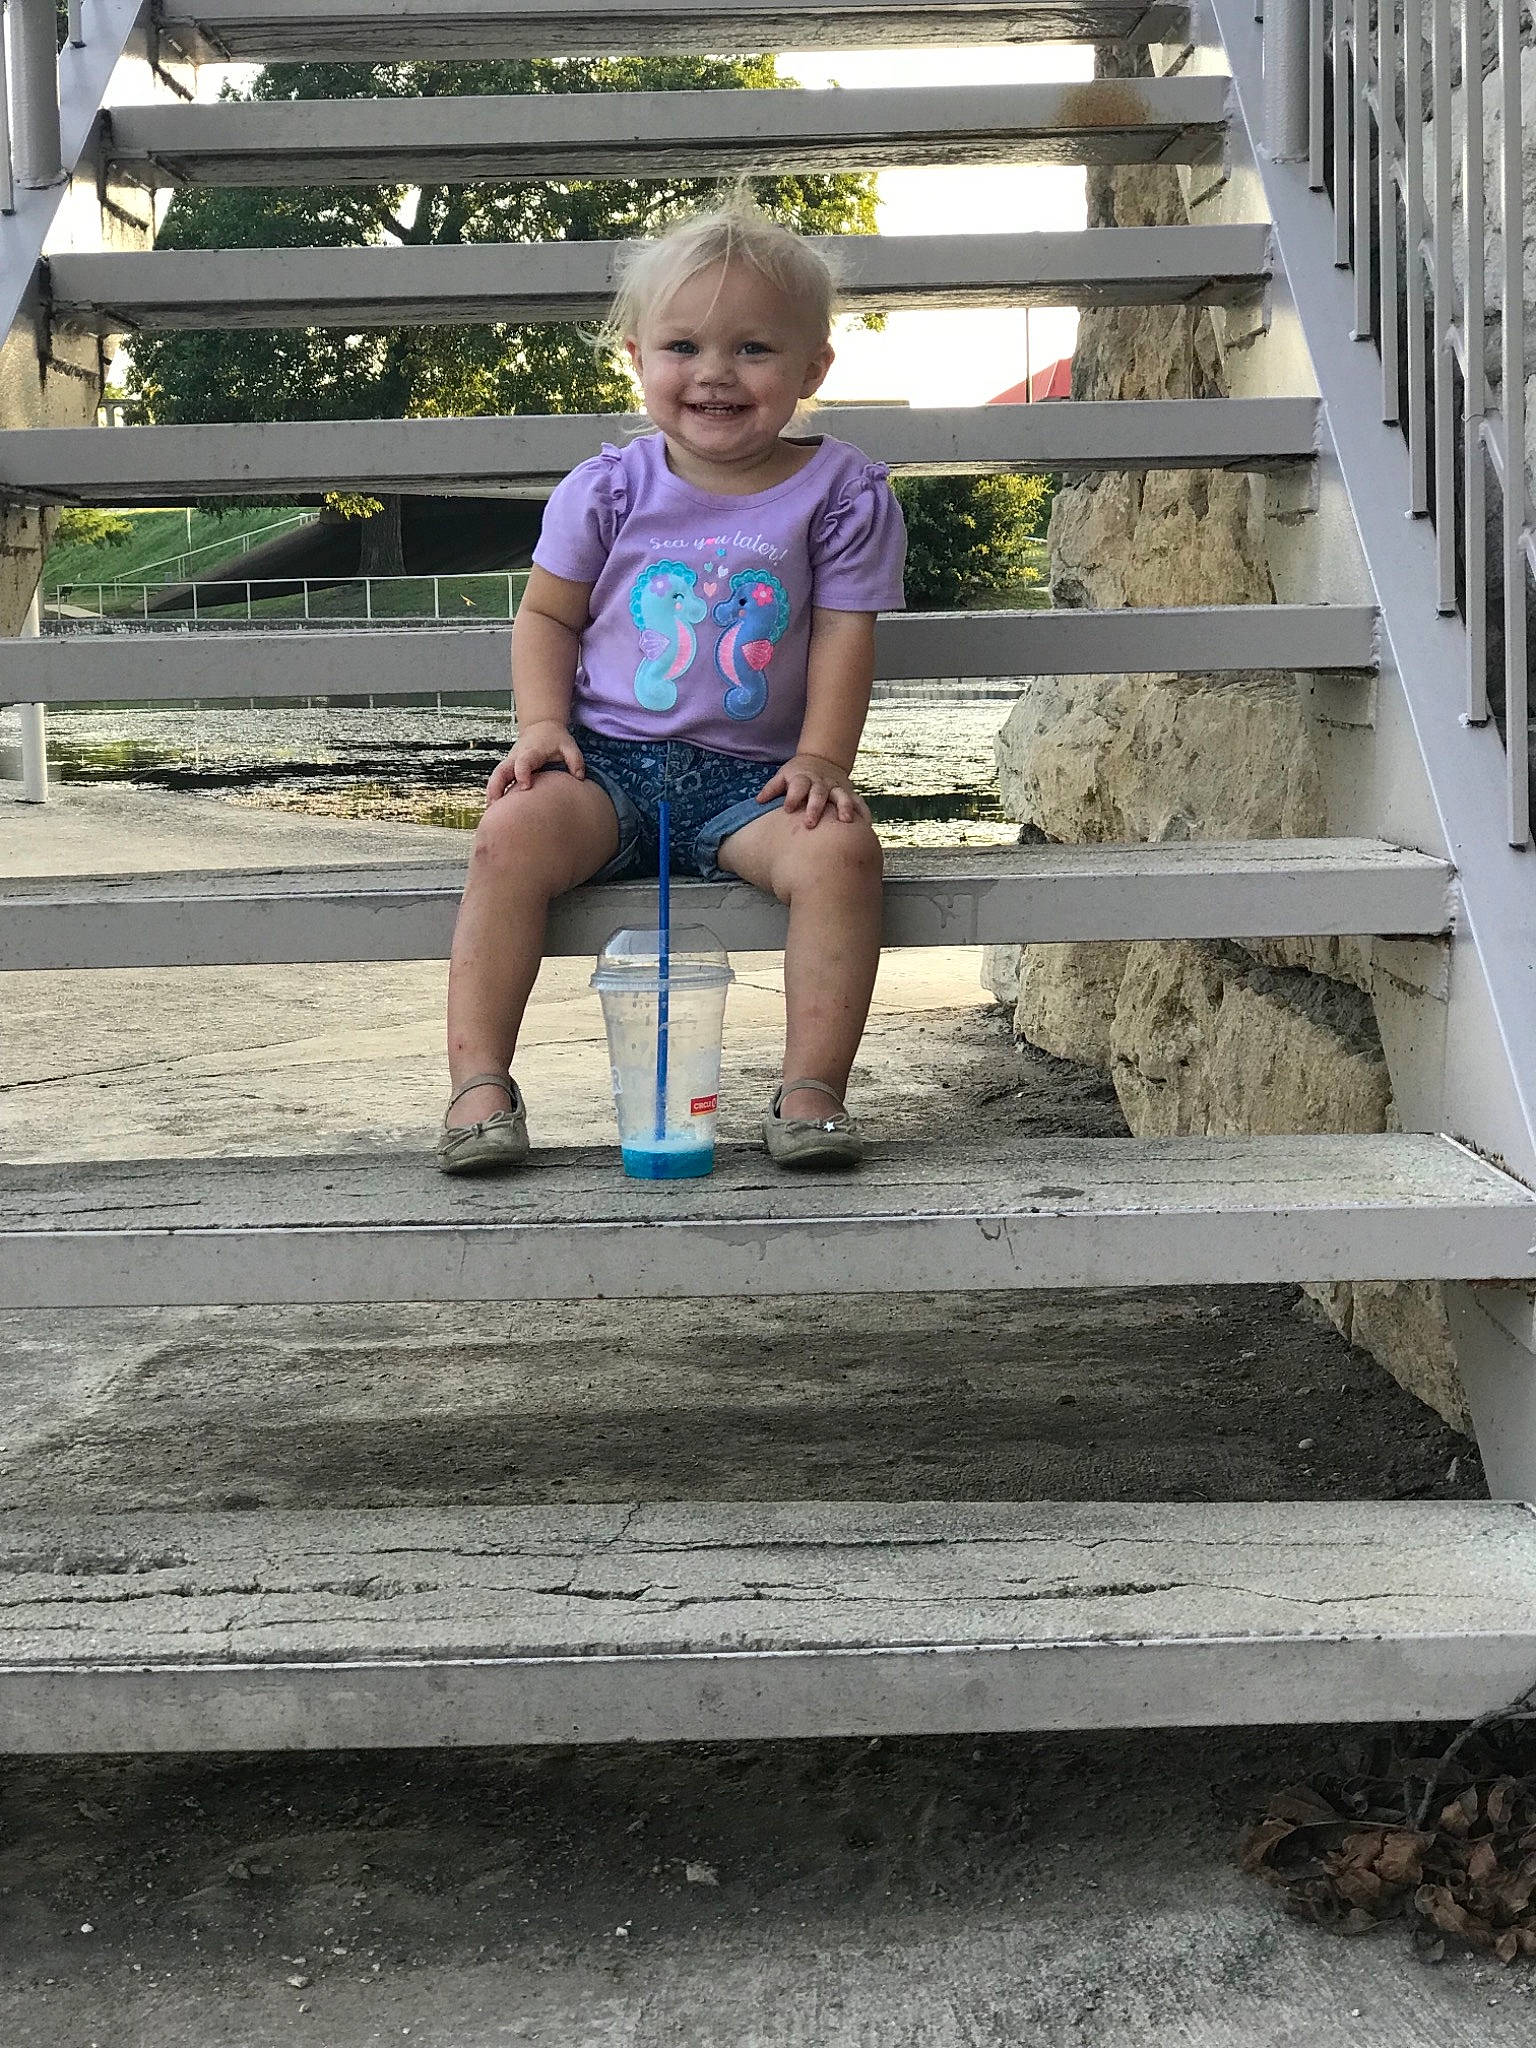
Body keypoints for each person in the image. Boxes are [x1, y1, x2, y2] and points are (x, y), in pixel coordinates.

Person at [437, 195, 906, 1176]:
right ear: (637, 356)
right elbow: (548, 616)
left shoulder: (841, 492)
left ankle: (812, 1087)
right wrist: (540, 726)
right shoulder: (608, 490)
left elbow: (840, 635)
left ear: (814, 367)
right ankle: (480, 1087)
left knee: (842, 855)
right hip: (605, 767)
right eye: (684, 345)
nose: (714, 373)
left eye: (753, 350)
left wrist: (823, 758)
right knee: (510, 831)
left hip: (754, 784)